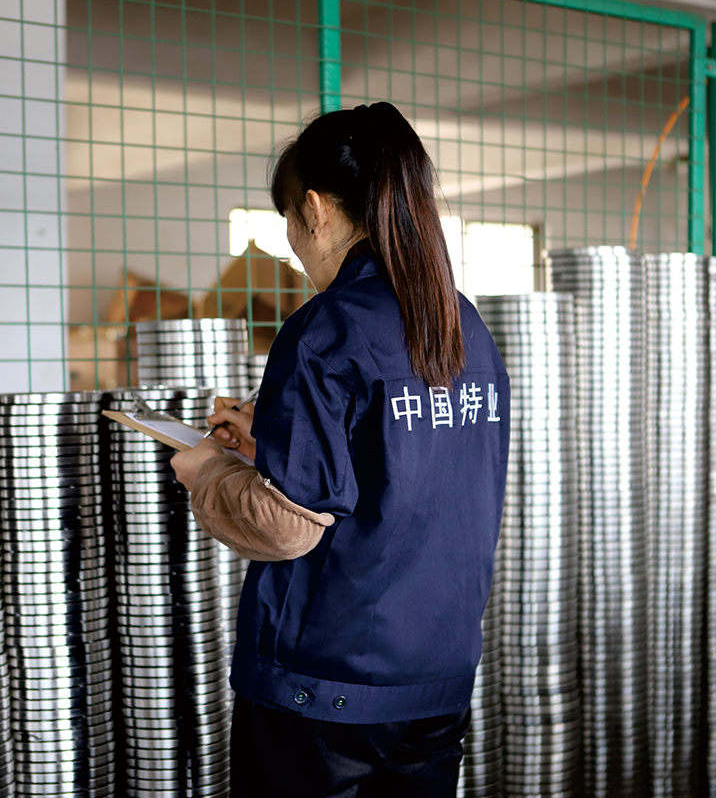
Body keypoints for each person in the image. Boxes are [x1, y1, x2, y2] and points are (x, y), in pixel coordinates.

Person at [171, 101, 509, 798]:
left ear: (315, 209)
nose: (294, 243)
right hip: (435, 677)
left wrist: (209, 471)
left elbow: (289, 524)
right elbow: (405, 465)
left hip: (324, 685)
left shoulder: (325, 329)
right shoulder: (463, 324)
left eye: (289, 220)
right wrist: (272, 440)